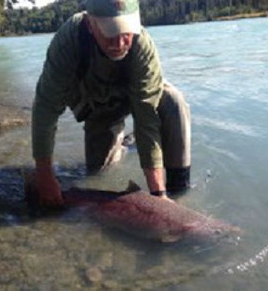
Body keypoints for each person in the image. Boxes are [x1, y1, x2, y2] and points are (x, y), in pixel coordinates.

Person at [32, 0, 191, 206]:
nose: (119, 42)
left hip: (133, 94)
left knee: (173, 101)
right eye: (110, 31)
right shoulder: (68, 40)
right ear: (90, 24)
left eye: (126, 31)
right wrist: (44, 175)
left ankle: (178, 189)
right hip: (96, 101)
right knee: (98, 172)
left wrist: (159, 195)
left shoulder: (143, 44)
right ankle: (123, 144)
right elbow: (46, 108)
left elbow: (146, 119)